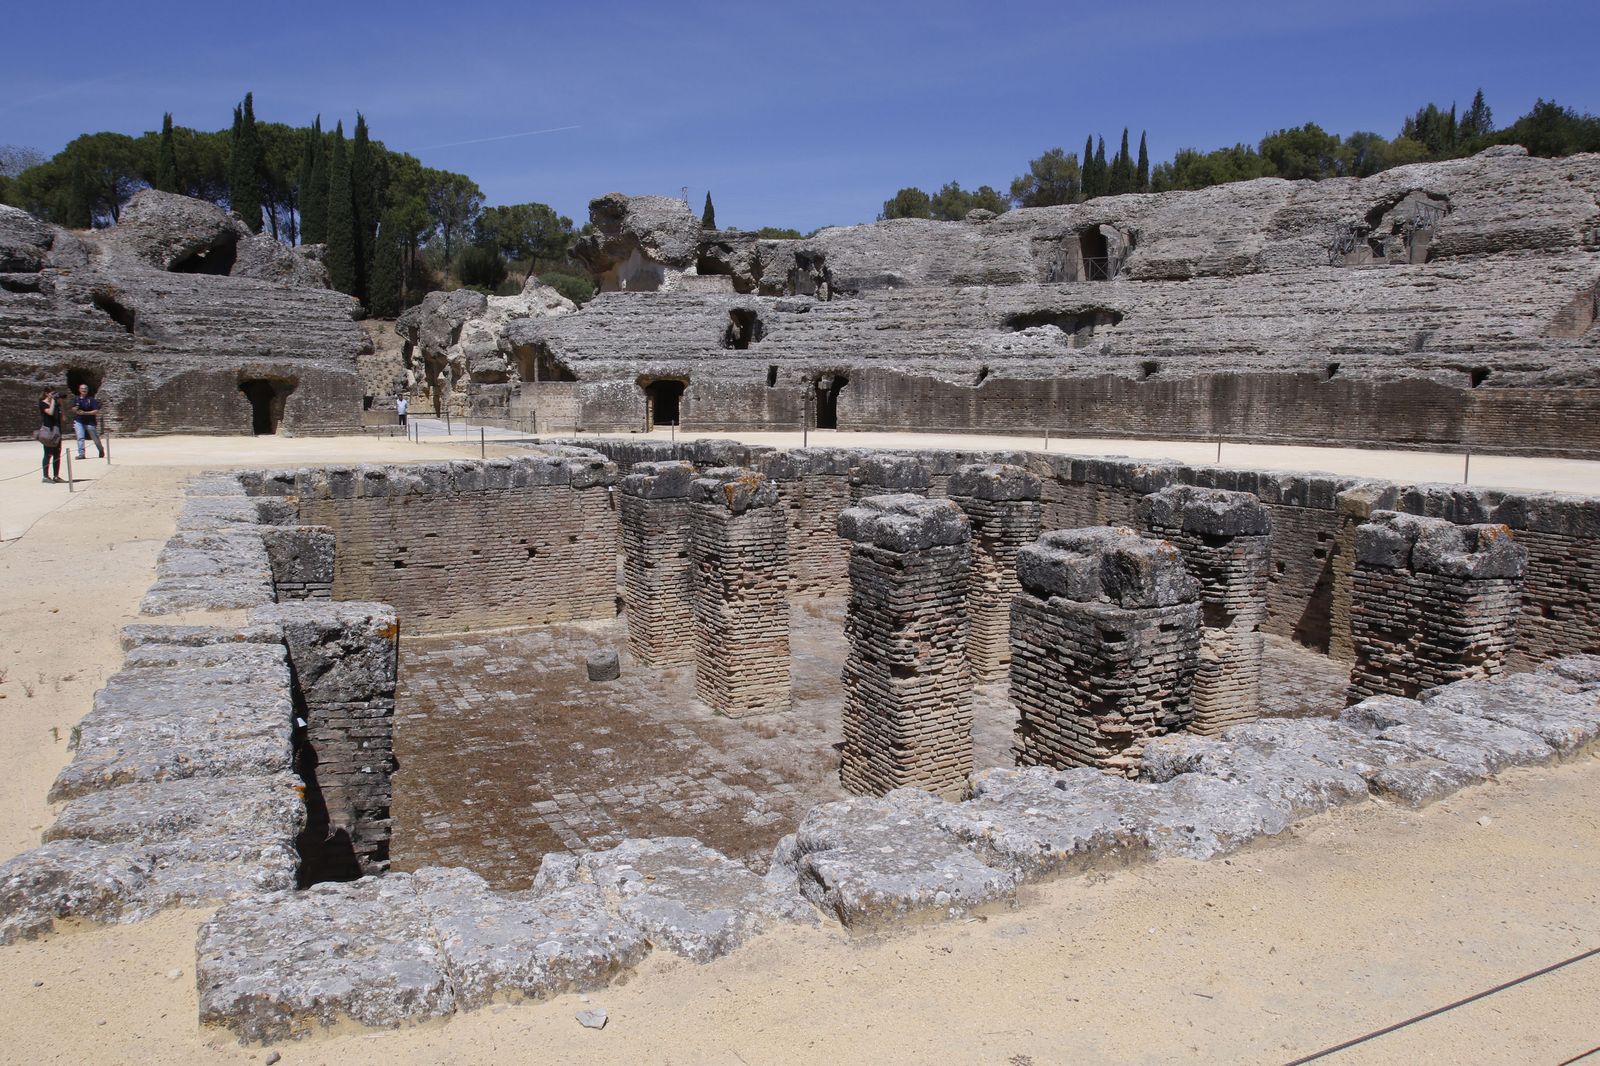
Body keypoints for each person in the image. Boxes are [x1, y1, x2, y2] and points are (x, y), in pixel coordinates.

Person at [71, 383, 104, 459]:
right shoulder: (76, 399)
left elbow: (96, 411)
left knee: (94, 437)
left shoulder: (91, 400)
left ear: (87, 390)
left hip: (90, 421)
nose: (84, 390)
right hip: (79, 421)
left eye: (85, 389)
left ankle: (100, 449)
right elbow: (73, 409)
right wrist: (75, 409)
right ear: (79, 390)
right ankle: (81, 454)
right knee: (80, 437)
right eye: (82, 388)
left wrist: (85, 413)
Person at [36, 389, 63, 483]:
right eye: (52, 393)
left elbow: (63, 418)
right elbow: (50, 412)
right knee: (48, 454)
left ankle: (56, 476)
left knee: (57, 454)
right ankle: (45, 476)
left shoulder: (55, 404)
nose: (54, 395)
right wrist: (53, 402)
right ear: (47, 394)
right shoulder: (42, 403)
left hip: (57, 432)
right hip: (48, 432)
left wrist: (59, 405)